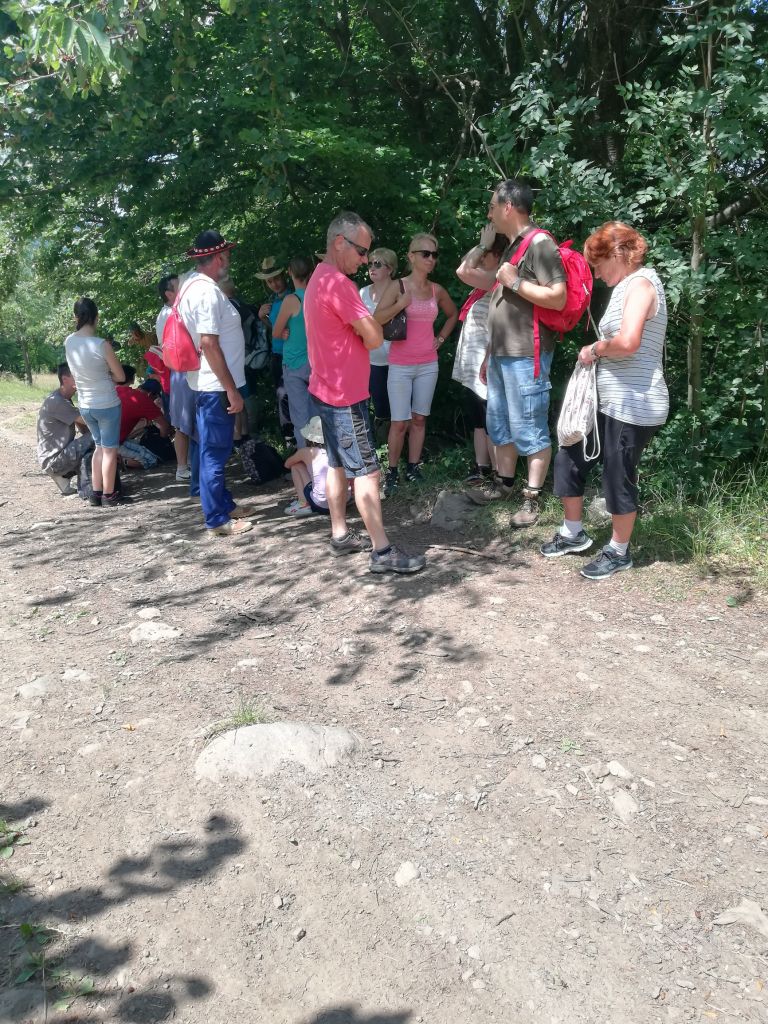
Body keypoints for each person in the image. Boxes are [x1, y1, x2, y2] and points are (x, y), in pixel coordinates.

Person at [541, 221, 669, 579]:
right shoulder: (625, 285)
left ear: (618, 254)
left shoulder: (642, 285)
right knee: (570, 454)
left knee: (617, 472)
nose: (596, 275)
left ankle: (618, 551)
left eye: (597, 266)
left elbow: (628, 342)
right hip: (605, 399)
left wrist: (595, 349)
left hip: (633, 402)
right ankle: (573, 533)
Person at [304, 210, 426, 573]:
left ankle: (340, 534)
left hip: (325, 389)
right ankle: (382, 552)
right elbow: (374, 338)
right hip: (345, 395)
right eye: (361, 252)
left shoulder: (317, 278)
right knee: (367, 471)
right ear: (339, 242)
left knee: (338, 465)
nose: (364, 261)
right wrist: (366, 328)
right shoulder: (339, 284)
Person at [475, 179, 567, 527]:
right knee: (499, 423)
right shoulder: (514, 246)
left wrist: (514, 281)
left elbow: (558, 297)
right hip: (502, 354)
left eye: (492, 207)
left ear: (508, 207)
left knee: (529, 426)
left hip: (528, 354)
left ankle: (532, 499)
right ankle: (504, 485)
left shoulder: (540, 243)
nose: (490, 214)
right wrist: (490, 352)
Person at [177, 229, 255, 538]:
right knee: (215, 453)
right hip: (215, 386)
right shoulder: (206, 292)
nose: (229, 260)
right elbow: (209, 343)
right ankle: (217, 520)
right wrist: (232, 390)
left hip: (206, 383)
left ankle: (224, 504)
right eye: (227, 254)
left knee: (213, 449)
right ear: (219, 257)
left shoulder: (191, 285)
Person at [381, 232, 458, 496]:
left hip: (428, 363)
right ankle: (392, 472)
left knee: (419, 419)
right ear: (411, 257)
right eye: (425, 254)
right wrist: (400, 304)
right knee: (399, 422)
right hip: (400, 364)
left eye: (434, 255)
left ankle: (413, 468)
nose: (431, 259)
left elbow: (453, 314)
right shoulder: (398, 286)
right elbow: (376, 318)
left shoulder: (437, 290)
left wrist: (441, 338)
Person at [453, 225, 507, 485]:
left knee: (489, 418)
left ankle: (498, 472)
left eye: (486, 254)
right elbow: (467, 262)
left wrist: (485, 244)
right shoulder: (481, 285)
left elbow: (462, 269)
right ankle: (482, 467)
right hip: (473, 366)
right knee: (478, 418)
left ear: (498, 256)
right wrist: (482, 245)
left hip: (486, 363)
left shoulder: (496, 280)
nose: (480, 258)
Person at [64, 297, 126, 507]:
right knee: (109, 450)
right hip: (106, 403)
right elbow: (121, 376)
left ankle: (95, 493)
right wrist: (107, 374)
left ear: (76, 317)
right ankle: (109, 495)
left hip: (85, 403)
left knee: (99, 447)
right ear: (96, 317)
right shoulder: (101, 345)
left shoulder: (69, 342)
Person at [272, 256, 314, 449]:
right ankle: (325, 458)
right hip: (315, 362)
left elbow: (275, 332)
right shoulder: (317, 295)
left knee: (300, 416)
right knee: (318, 414)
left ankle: (307, 459)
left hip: (294, 364)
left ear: (289, 273)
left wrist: (283, 331)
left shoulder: (291, 300)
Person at [155, 273, 193, 482]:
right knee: (183, 423)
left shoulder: (171, 312)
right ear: (169, 294)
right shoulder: (169, 315)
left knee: (185, 421)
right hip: (181, 372)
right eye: (179, 286)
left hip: (181, 372)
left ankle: (188, 465)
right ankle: (182, 467)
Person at [36, 362, 94, 494]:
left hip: (56, 457)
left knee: (95, 438)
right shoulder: (57, 401)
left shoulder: (63, 398)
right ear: (65, 379)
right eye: (76, 376)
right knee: (101, 435)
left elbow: (83, 427)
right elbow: (89, 422)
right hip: (54, 462)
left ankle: (72, 479)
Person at [358, 248, 397, 423]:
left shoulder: (401, 290)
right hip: (372, 361)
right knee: (381, 410)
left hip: (400, 360)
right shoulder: (362, 293)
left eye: (378, 264)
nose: (372, 268)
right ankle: (381, 438)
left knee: (402, 411)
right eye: (370, 264)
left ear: (390, 269)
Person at [282, 416, 332, 518]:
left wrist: (303, 460)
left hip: (323, 504)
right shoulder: (336, 449)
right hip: (343, 499)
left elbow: (287, 464)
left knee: (296, 466)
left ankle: (303, 503)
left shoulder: (307, 452)